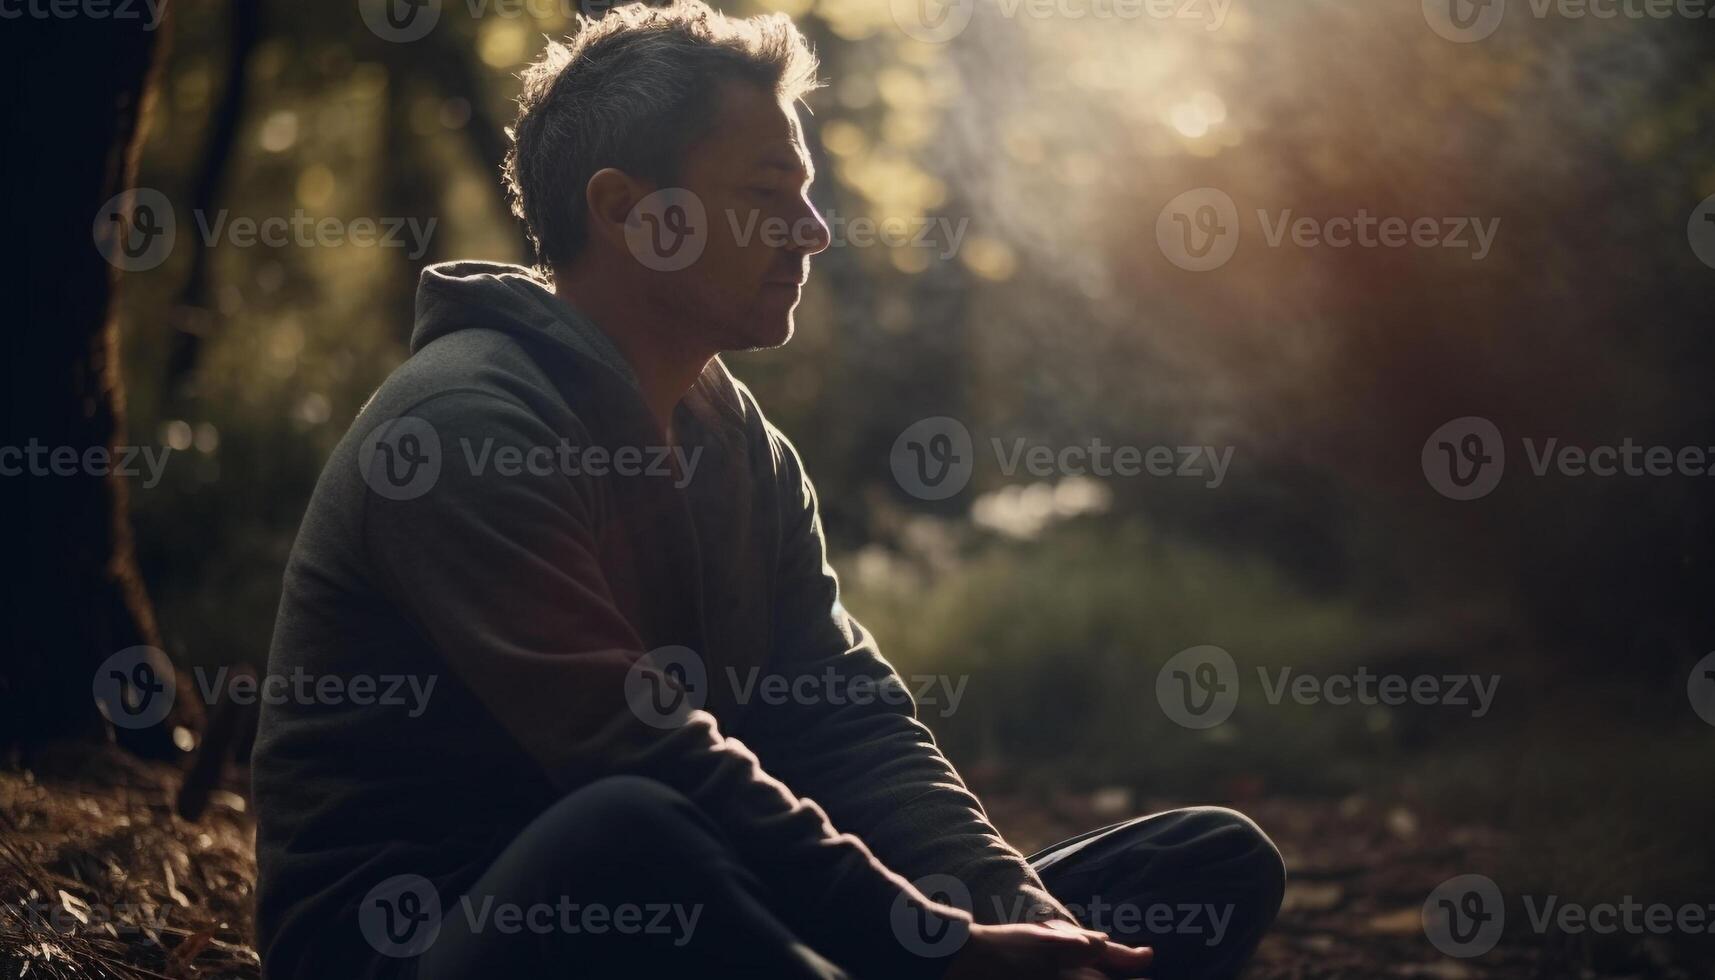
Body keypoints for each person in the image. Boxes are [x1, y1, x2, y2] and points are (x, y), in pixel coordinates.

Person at [251, 3, 1285, 978]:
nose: (813, 230)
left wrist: (1015, 912)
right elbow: (635, 751)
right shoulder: (462, 428)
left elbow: (844, 716)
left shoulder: (738, 439)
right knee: (629, 829)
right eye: (765, 193)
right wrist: (926, 939)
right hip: (446, 938)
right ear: (627, 212)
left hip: (726, 917)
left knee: (1202, 862)